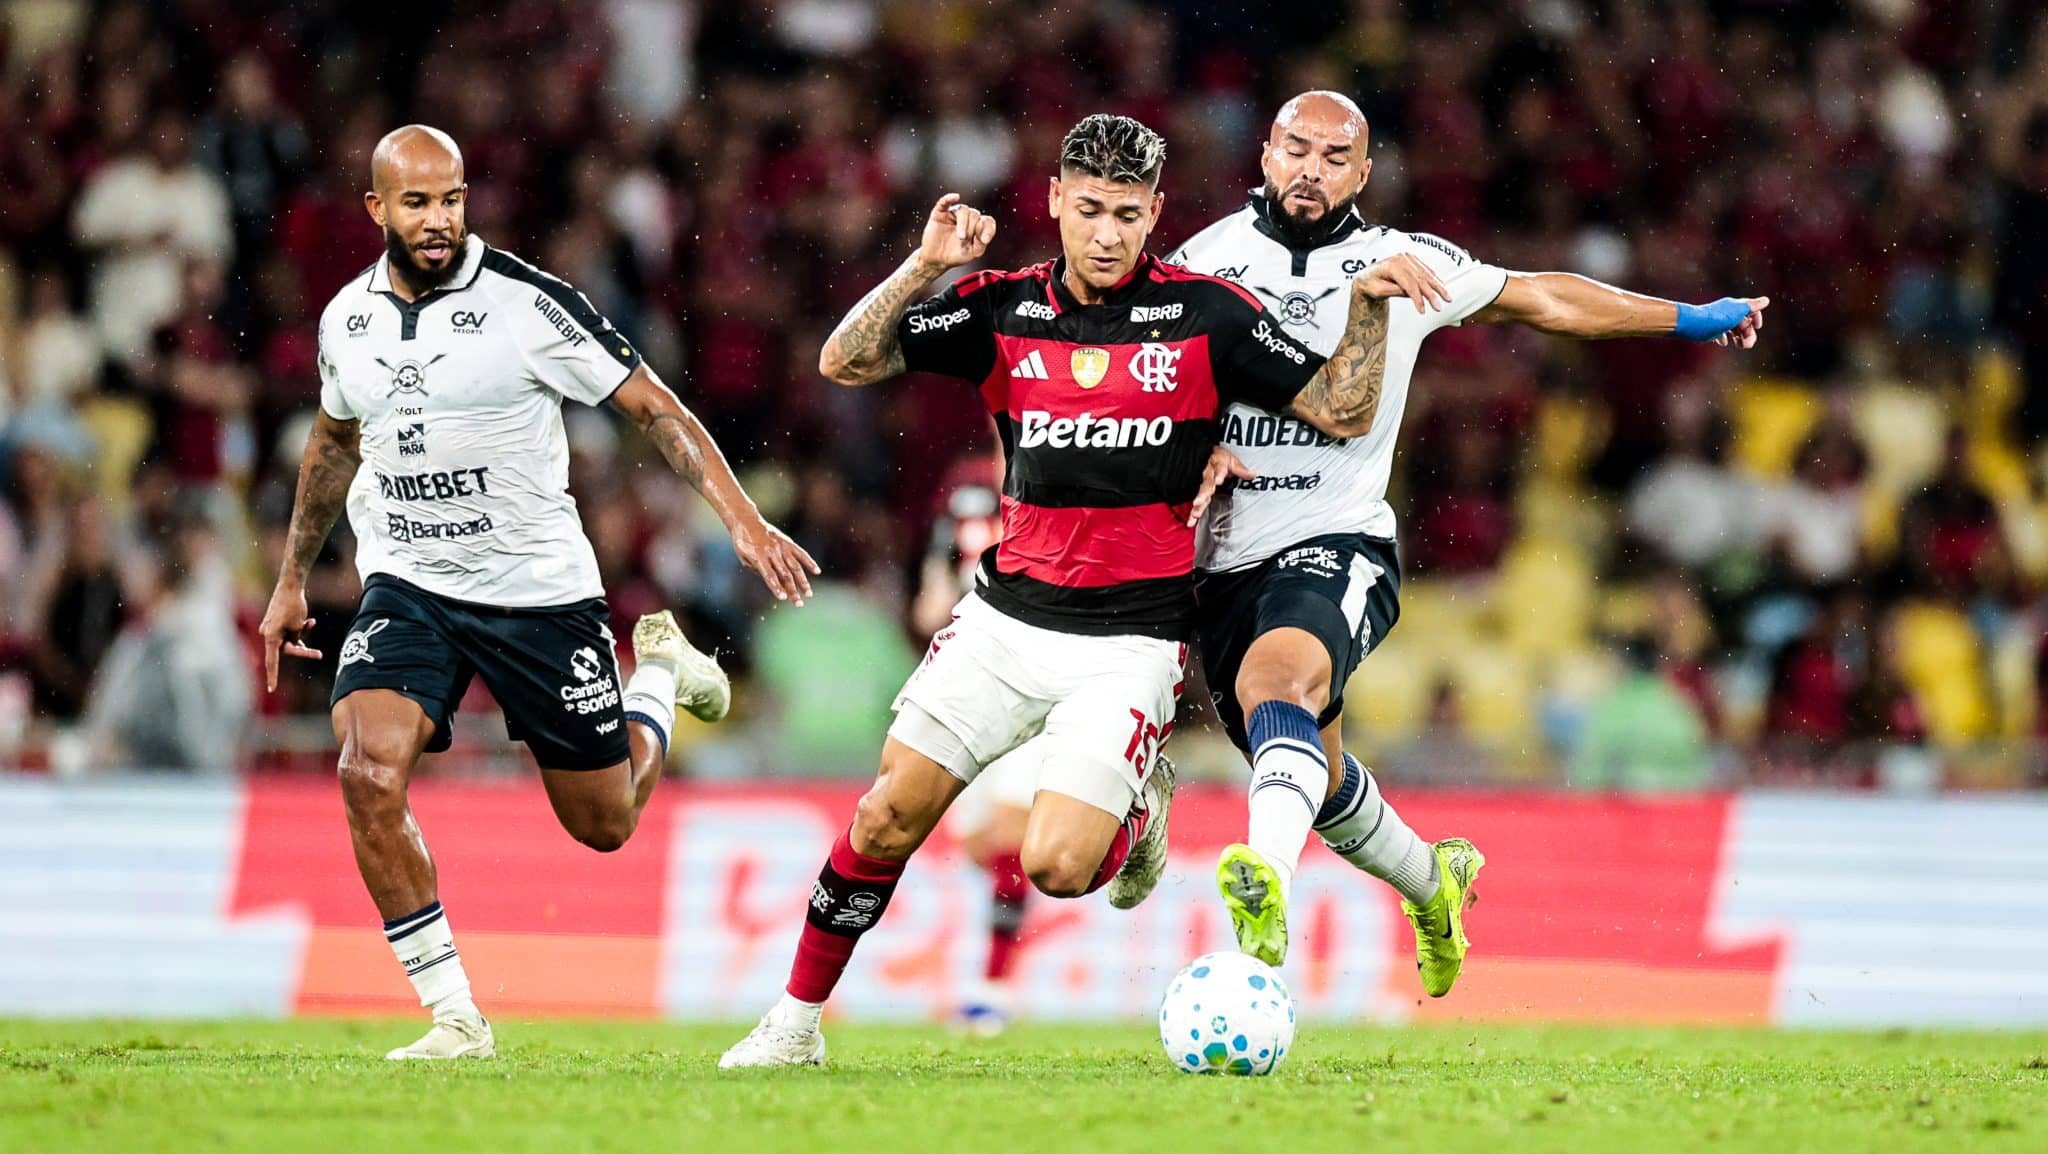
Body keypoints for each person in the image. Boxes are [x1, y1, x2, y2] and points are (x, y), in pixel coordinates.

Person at [720, 112, 1420, 1068]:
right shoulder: (1002, 307)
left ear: (1155, 214)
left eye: (1127, 214)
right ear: (1054, 201)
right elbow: (845, 360)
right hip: (1004, 621)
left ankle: (1137, 814)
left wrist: (1370, 302)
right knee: (885, 816)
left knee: (1053, 865)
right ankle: (793, 1025)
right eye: (1088, 209)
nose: (1105, 234)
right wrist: (924, 266)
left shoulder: (1209, 315)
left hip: (1130, 643)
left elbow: (1340, 408)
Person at [1166, 91, 1768, 987]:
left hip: (1337, 541)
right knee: (1314, 778)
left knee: (1275, 681)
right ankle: (1432, 883)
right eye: (1296, 149)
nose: (1311, 170)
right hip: (1220, 564)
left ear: (1365, 174)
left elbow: (1546, 299)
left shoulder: (1402, 263)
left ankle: (1266, 884)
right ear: (1265, 154)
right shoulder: (1199, 265)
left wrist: (1686, 315)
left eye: (1335, 158)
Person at [257, 125, 817, 1061]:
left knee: (604, 823)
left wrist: (742, 520)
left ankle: (660, 676)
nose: (438, 220)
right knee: (365, 770)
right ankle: (455, 1019)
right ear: (377, 208)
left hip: (537, 593)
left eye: (452, 199)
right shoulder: (345, 319)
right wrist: (288, 581)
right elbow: (333, 442)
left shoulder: (528, 303)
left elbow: (654, 407)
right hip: (409, 583)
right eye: (417, 203)